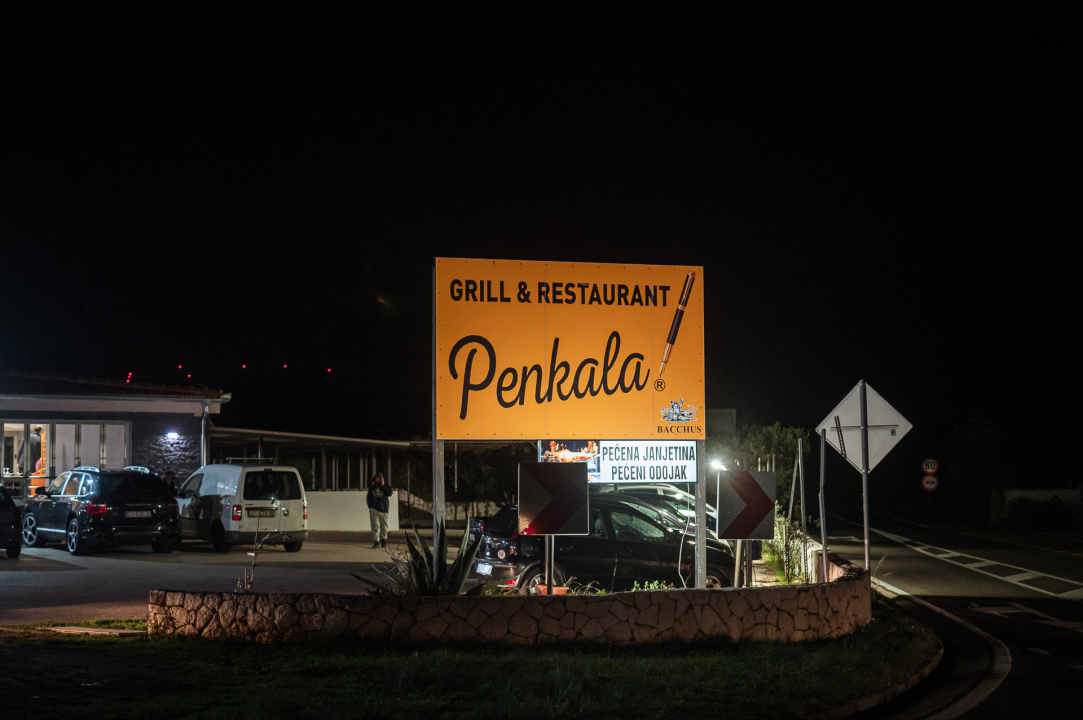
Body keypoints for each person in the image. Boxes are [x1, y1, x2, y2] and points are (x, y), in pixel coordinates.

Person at [366, 472, 393, 549]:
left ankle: (384, 539)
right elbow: (369, 497)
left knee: (384, 526)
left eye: (379, 479)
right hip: (374, 509)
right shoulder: (372, 487)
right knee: (375, 526)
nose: (378, 480)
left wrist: (382, 486)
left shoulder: (386, 487)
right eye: (376, 479)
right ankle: (376, 541)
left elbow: (389, 493)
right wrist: (370, 506)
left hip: (384, 509)